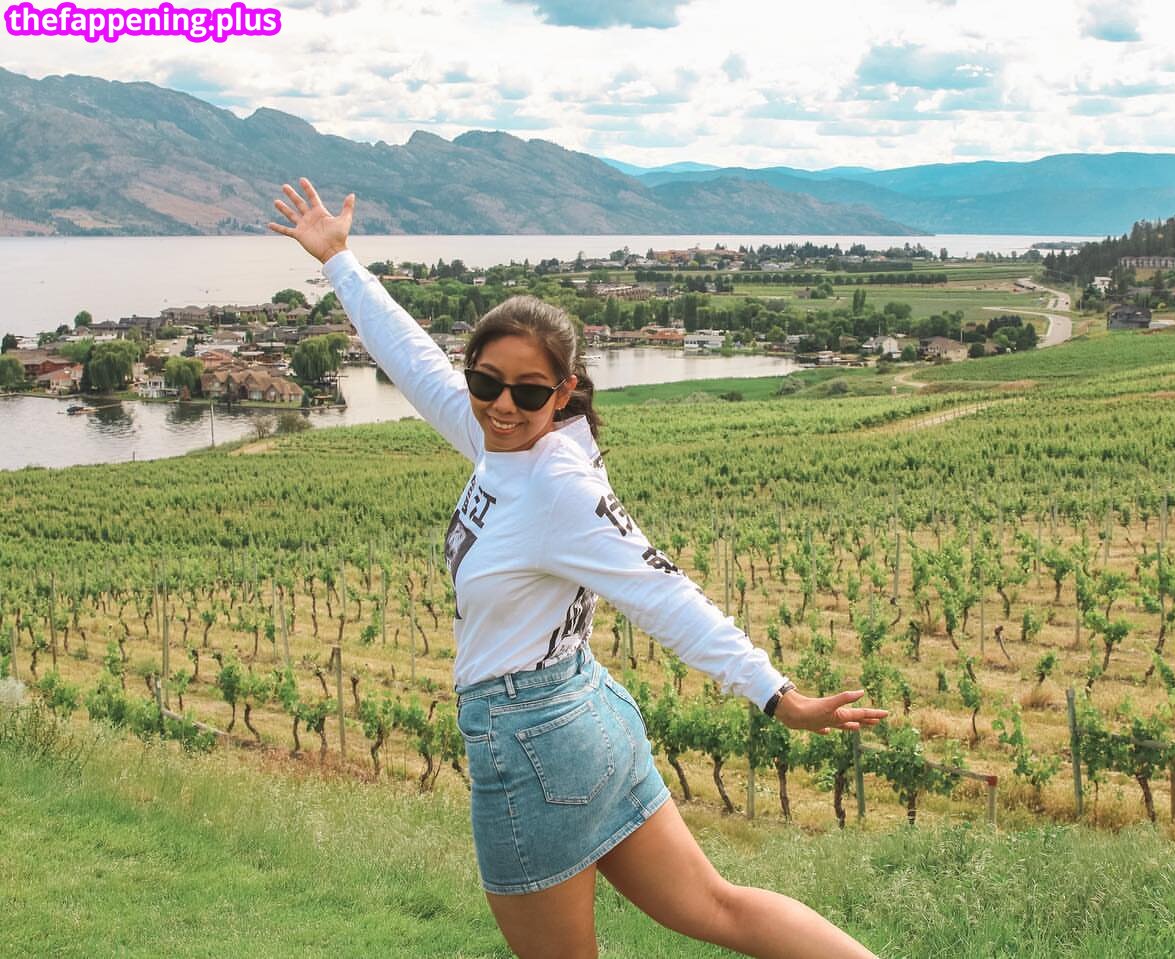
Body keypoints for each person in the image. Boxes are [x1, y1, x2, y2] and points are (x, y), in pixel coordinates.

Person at [268, 179, 886, 959]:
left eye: (528, 391)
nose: (501, 404)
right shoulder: (505, 441)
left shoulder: (555, 484)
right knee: (716, 906)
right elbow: (414, 359)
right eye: (485, 382)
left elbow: (664, 592)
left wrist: (778, 696)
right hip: (585, 714)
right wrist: (339, 261)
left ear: (562, 392)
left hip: (531, 740)